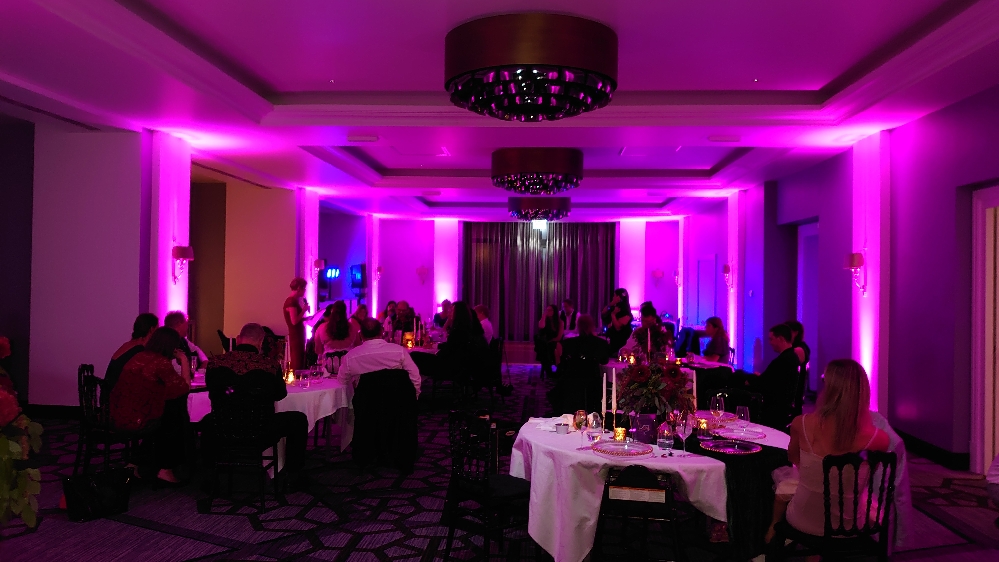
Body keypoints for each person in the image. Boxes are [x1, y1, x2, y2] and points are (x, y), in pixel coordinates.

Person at [765, 359, 890, 544]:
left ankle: (772, 532)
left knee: (788, 487)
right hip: (851, 524)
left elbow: (794, 460)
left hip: (803, 519)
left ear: (829, 388)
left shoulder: (801, 423)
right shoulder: (880, 439)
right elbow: (867, 475)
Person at [204, 323, 309, 489]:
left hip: (224, 427)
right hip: (261, 431)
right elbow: (280, 394)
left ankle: (209, 477)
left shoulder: (215, 363)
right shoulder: (270, 365)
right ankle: (292, 476)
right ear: (261, 342)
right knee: (299, 420)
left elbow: (212, 389)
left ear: (238, 339)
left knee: (207, 421)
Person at [110, 327, 191, 485]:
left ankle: (135, 462)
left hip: (117, 412)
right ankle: (166, 468)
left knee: (168, 413)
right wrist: (184, 360)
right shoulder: (160, 363)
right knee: (174, 415)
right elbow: (184, 388)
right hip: (137, 419)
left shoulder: (139, 356)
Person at [339, 319, 422, 397]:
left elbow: (342, 381)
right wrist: (414, 397)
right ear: (382, 332)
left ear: (360, 334)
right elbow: (415, 376)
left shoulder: (351, 357)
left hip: (365, 404)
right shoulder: (399, 351)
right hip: (397, 402)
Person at [746, 324, 801, 429]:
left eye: (771, 339)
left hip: (774, 410)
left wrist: (749, 380)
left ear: (780, 339)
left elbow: (763, 385)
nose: (770, 343)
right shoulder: (791, 357)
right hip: (783, 407)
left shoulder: (783, 360)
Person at [104, 313, 158, 400]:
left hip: (110, 394)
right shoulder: (139, 350)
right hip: (119, 398)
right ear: (152, 329)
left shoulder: (128, 345)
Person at [283, 277, 310, 370]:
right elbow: (294, 321)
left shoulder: (293, 301)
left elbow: (296, 319)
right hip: (296, 335)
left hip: (297, 334)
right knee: (297, 361)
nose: (305, 291)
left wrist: (306, 318)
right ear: (299, 288)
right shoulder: (291, 302)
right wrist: (304, 310)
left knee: (299, 359)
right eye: (304, 288)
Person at [534, 304, 564, 379]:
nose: (548, 311)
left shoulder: (560, 322)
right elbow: (541, 326)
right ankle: (550, 371)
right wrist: (544, 315)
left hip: (554, 341)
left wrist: (553, 340)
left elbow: (559, 337)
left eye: (550, 310)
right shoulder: (545, 320)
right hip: (544, 342)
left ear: (554, 311)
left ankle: (555, 369)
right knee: (545, 347)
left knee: (552, 347)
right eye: (547, 310)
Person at [601, 288, 634, 356]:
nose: (613, 297)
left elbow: (618, 327)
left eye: (614, 295)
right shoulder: (614, 308)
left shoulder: (626, 312)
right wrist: (611, 304)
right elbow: (603, 313)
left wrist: (613, 315)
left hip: (621, 341)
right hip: (613, 340)